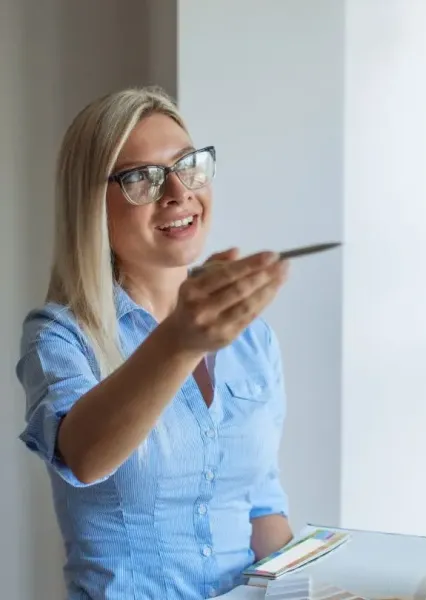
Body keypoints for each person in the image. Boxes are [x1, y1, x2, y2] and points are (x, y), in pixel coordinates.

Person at [16, 86, 293, 599]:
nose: (178, 191)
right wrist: (182, 340)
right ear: (92, 205)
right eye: (141, 177)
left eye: (188, 164)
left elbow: (263, 512)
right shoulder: (59, 334)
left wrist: (311, 590)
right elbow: (84, 456)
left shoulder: (252, 338)